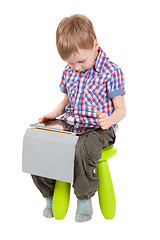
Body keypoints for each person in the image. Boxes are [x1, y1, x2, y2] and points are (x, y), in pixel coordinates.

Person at [31, 14, 126, 222]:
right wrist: (54, 114)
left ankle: (84, 198)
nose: (77, 68)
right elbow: (66, 100)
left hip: (99, 130)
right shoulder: (70, 71)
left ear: (95, 45)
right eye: (70, 63)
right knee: (38, 141)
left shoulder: (111, 72)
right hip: (73, 124)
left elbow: (121, 110)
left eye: (81, 61)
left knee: (81, 148)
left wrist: (109, 120)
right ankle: (49, 194)